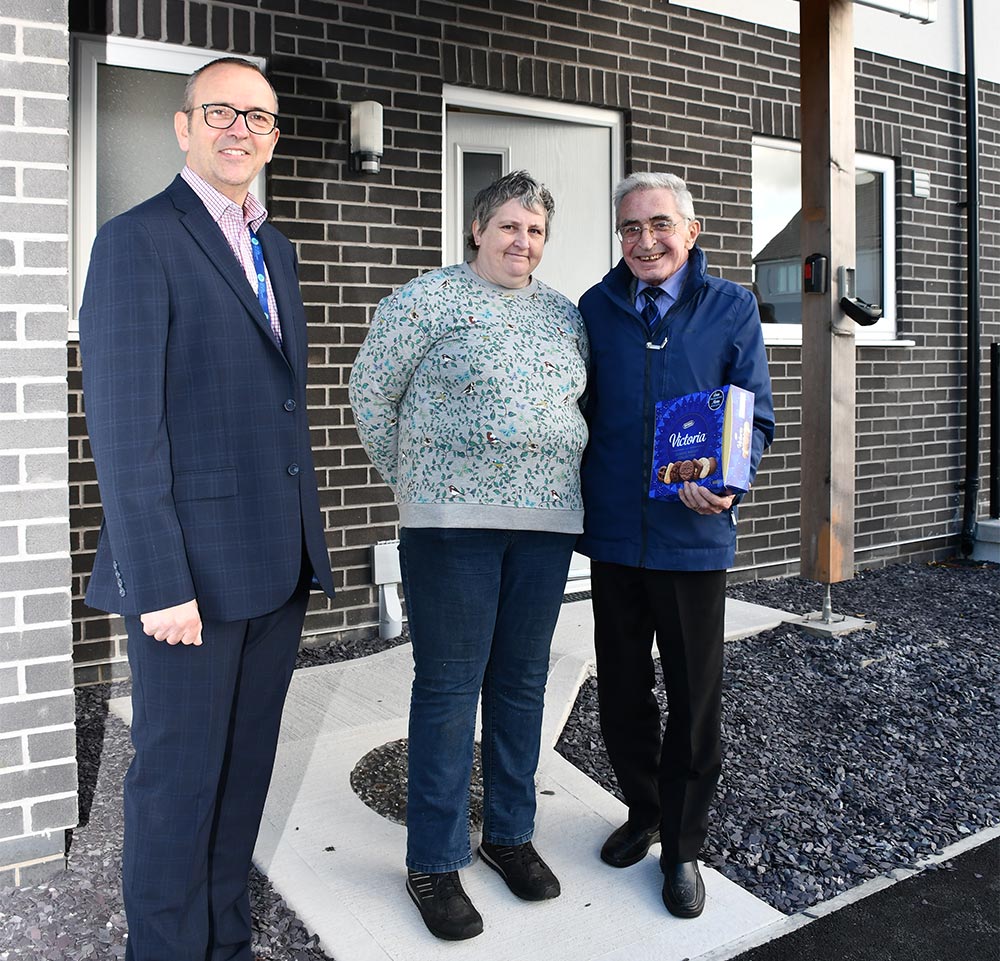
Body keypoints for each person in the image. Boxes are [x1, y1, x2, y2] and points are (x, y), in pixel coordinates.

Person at [78, 57, 335, 961]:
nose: (240, 129)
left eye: (258, 118)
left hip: (274, 568)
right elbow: (123, 427)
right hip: (186, 578)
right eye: (219, 111)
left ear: (273, 138)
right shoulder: (136, 240)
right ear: (183, 126)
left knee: (240, 782)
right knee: (177, 787)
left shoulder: (275, 247)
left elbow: (278, 404)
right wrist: (158, 582)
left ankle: (225, 943)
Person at [349, 171, 588, 941]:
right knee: (450, 686)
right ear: (477, 229)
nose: (524, 242)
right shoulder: (426, 301)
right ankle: (435, 859)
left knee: (521, 681)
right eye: (511, 227)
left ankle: (510, 835)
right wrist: (421, 485)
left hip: (545, 523)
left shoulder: (562, 315)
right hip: (450, 525)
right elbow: (369, 394)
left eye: (537, 231)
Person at [577, 171, 774, 919]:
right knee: (624, 688)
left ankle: (684, 845)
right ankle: (644, 809)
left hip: (693, 537)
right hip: (616, 538)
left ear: (691, 232)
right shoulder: (595, 309)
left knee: (693, 696)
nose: (645, 240)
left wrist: (731, 480)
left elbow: (753, 415)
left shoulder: (731, 308)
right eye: (630, 228)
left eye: (660, 224)